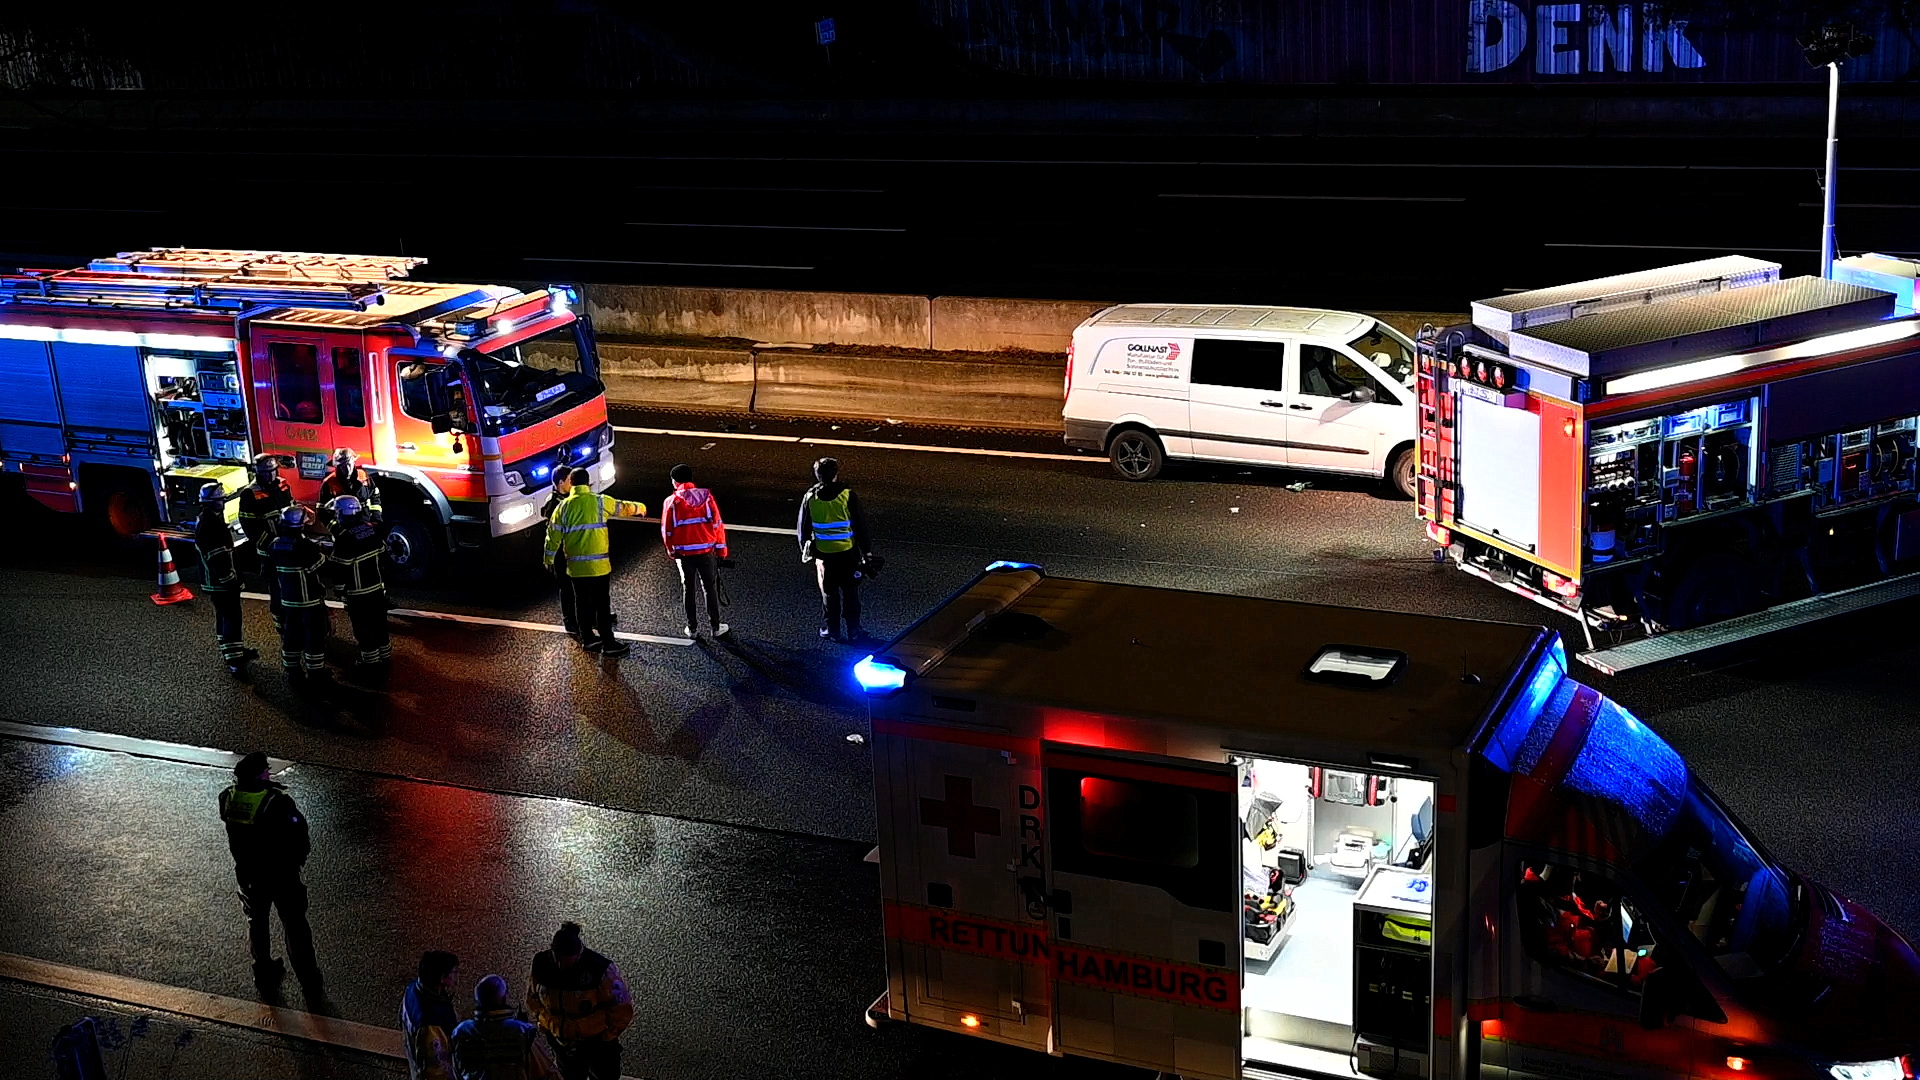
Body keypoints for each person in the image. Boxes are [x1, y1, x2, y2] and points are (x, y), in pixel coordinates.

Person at [218, 751, 320, 993]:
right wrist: (299, 858)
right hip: (281, 876)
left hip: (248, 874)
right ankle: (309, 979)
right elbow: (299, 834)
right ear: (260, 775)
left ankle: (263, 971)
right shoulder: (277, 803)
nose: (268, 773)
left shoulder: (227, 798)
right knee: (295, 926)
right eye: (266, 770)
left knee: (257, 922)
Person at [542, 469, 645, 658]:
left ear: (571, 483)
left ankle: (588, 639)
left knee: (581, 603)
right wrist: (640, 508)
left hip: (576, 568)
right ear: (588, 483)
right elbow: (622, 507)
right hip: (599, 566)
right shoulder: (599, 501)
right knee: (601, 604)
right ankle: (608, 643)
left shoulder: (562, 507)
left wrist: (548, 559)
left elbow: (552, 537)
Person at [527, 922, 633, 1080]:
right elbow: (533, 998)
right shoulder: (542, 964)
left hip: (597, 1044)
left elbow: (621, 1008)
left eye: (569, 962)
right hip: (562, 1043)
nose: (563, 966)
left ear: (579, 953)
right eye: (559, 960)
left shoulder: (599, 969)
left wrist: (607, 1037)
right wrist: (546, 1025)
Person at [796, 457, 872, 642]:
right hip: (848, 554)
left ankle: (833, 631)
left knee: (829, 594)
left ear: (817, 475)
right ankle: (854, 631)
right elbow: (860, 526)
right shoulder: (847, 495)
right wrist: (867, 551)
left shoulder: (810, 497)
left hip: (824, 556)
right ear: (836, 474)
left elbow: (803, 528)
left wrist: (807, 551)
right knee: (851, 592)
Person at [659, 464, 730, 639]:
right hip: (706, 552)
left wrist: (671, 550)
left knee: (688, 589)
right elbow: (717, 525)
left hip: (684, 555)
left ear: (675, 482)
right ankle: (715, 627)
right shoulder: (707, 497)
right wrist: (721, 550)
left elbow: (667, 530)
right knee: (709, 588)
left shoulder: (671, 502)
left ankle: (692, 629)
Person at [195, 482, 259, 675]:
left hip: (217, 582)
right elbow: (217, 556)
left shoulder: (209, 519)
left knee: (224, 616)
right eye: (220, 500)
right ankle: (235, 661)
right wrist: (229, 579)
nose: (223, 502)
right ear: (210, 502)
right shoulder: (209, 524)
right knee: (231, 617)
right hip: (221, 583)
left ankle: (232, 652)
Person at [266, 504, 331, 686]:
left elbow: (268, 572)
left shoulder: (274, 545)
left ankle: (293, 671)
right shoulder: (305, 547)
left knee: (291, 636)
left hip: (288, 601)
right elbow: (322, 567)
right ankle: (316, 673)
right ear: (301, 525)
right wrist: (324, 552)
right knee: (314, 637)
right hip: (309, 601)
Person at [327, 495, 392, 669]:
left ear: (342, 514)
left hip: (358, 593)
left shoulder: (344, 538)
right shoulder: (372, 529)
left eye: (337, 513)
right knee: (379, 624)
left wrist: (340, 591)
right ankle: (385, 655)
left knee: (364, 628)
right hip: (377, 589)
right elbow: (384, 554)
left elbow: (339, 569)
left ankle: (370, 664)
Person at [451, 975, 558, 1080]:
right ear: (504, 998)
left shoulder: (460, 1032)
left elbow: (455, 1071)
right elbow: (546, 1073)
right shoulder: (524, 1032)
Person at [238, 454, 293, 605]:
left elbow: (290, 508)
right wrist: (270, 543)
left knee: (291, 584)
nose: (270, 475)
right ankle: (280, 623)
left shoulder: (283, 485)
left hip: (287, 544)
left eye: (273, 470)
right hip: (270, 550)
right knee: (276, 588)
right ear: (257, 472)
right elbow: (249, 526)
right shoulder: (249, 494)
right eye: (265, 472)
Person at [403, 950, 462, 1080]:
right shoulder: (431, 1021)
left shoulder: (412, 989)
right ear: (441, 978)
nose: (456, 977)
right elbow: (436, 1069)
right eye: (453, 972)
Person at [540, 470, 578, 634]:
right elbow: (552, 534)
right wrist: (549, 559)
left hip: (572, 552)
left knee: (581, 586)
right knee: (567, 588)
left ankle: (589, 616)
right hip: (561, 555)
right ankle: (569, 621)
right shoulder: (553, 503)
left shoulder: (567, 498)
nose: (572, 482)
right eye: (570, 479)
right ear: (561, 482)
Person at [318, 447, 383, 523]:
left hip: (365, 523)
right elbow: (322, 510)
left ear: (354, 462)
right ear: (336, 466)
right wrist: (336, 529)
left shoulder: (363, 476)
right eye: (343, 466)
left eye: (349, 464)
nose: (347, 469)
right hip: (343, 526)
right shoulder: (329, 482)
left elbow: (374, 496)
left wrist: (376, 519)